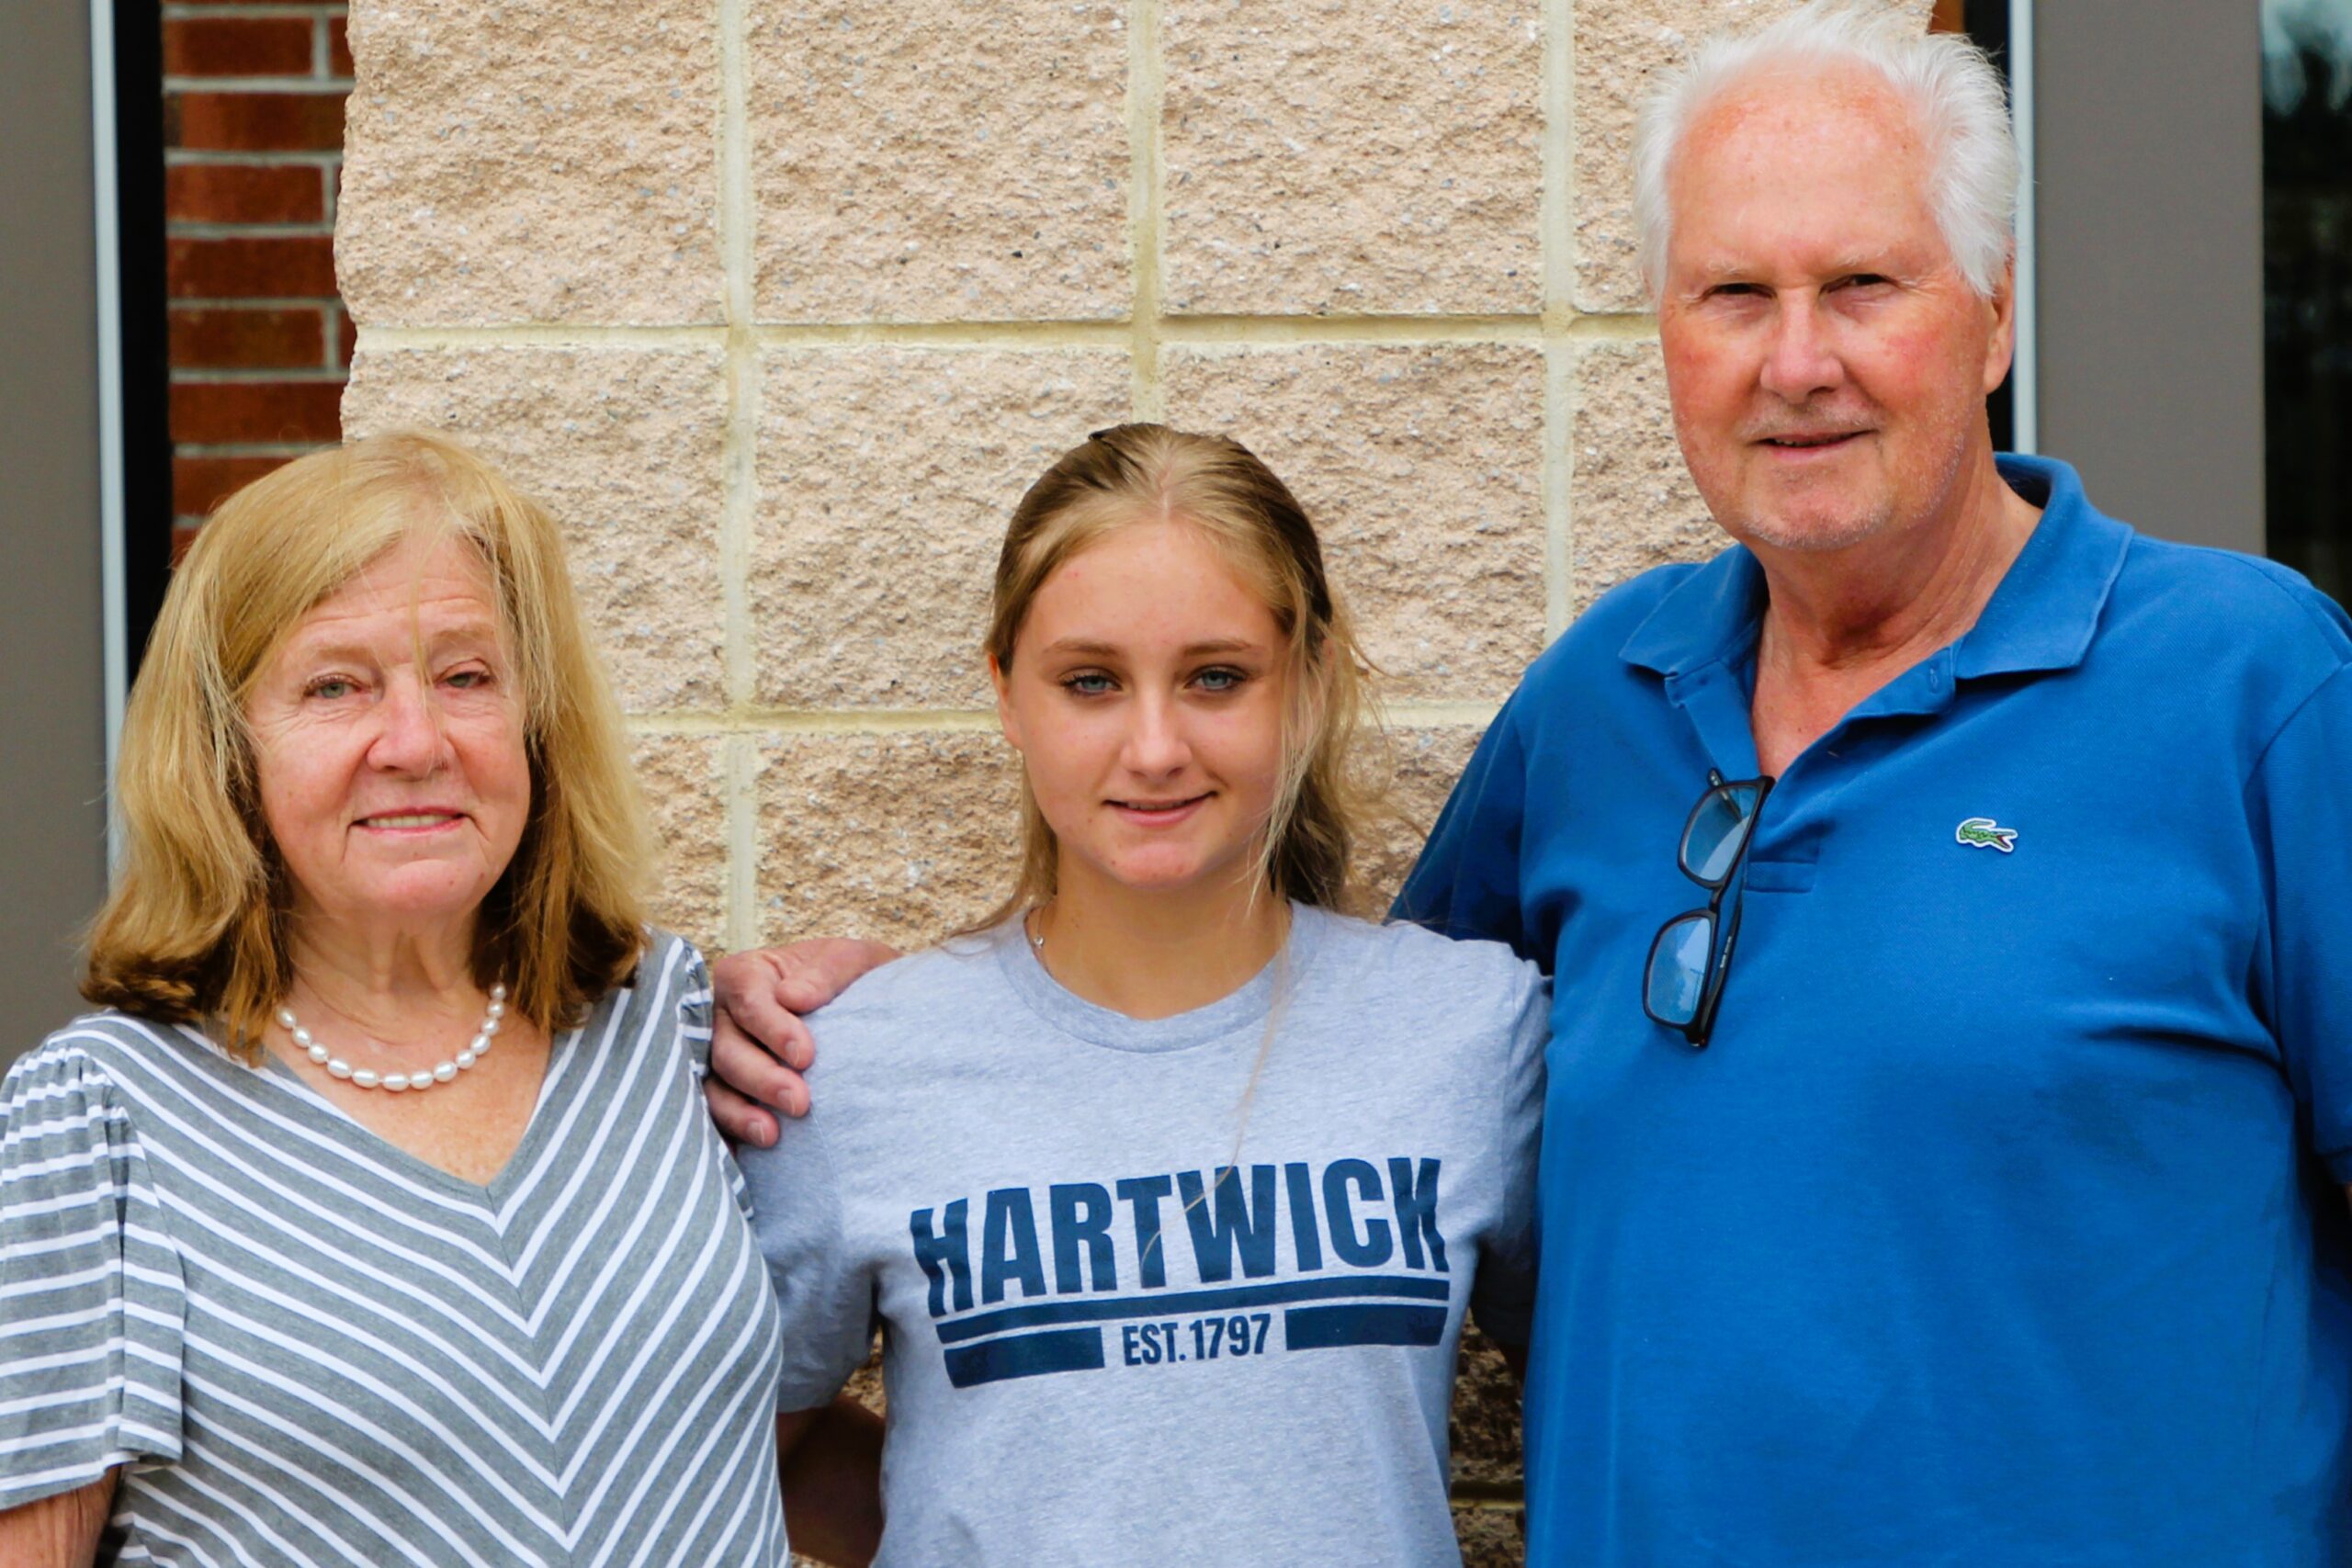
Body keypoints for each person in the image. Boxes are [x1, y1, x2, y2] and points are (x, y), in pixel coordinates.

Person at [712, 5, 2352, 1563]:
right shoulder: (1608, 700)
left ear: (1994, 307)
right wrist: (860, 1013)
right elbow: (1326, 1047)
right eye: (1730, 294)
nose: (1797, 361)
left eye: (1863, 283)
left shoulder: (2252, 687)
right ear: (1664, 331)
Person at [0, 434, 877, 1566]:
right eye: (335, 686)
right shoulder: (97, 1120)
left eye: (465, 676)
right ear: (226, 751)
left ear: (533, 723)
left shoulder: (670, 1026)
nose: (415, 743)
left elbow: (757, 1451)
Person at [743, 423, 1548, 1565]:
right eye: (1091, 683)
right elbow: (723, 1461)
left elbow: (1618, 1411)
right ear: (1008, 698)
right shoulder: (852, 1068)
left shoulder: (1471, 1033)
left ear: (1309, 681)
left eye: (1216, 677)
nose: (1156, 746)